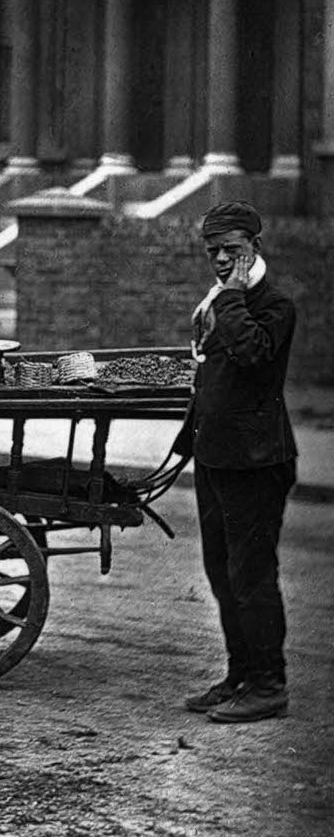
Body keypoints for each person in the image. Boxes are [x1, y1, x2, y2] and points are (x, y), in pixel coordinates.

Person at [172, 200, 297, 723]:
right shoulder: (220, 301)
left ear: (255, 249)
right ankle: (240, 673)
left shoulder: (272, 305)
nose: (222, 261)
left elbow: (251, 355)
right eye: (214, 252)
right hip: (218, 456)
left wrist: (230, 298)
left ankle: (269, 685)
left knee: (251, 575)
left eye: (232, 251)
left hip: (256, 462)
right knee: (221, 573)